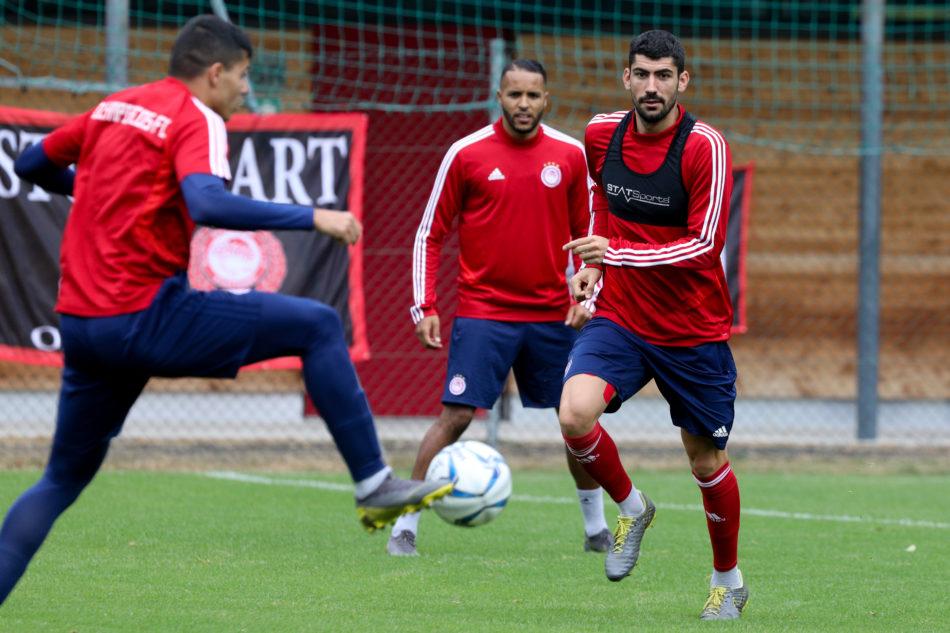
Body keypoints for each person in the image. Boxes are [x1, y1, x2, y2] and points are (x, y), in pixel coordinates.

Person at [0, 15, 451, 606]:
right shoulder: (198, 117)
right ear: (215, 72)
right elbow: (206, 201)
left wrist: (94, 190)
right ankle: (373, 482)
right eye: (242, 76)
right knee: (316, 324)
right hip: (145, 314)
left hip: (82, 327)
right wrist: (315, 217)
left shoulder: (114, 106)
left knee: (58, 482)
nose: (245, 88)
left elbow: (32, 164)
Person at [387, 59, 611, 557]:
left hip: (553, 315)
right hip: (484, 311)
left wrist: (587, 297)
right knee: (456, 417)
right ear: (499, 96)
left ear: (546, 99)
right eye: (514, 95)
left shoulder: (571, 155)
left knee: (576, 420)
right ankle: (406, 525)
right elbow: (430, 233)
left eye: (533, 96)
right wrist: (424, 305)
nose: (524, 105)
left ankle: (596, 528)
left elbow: (591, 236)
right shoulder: (465, 154)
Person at [559, 31, 747, 620]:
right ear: (625, 78)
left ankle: (728, 580)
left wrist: (611, 254)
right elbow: (599, 197)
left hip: (692, 329)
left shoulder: (704, 147)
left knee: (704, 463)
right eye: (641, 74)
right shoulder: (600, 134)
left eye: (663, 75)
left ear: (682, 82)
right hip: (623, 317)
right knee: (573, 413)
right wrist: (592, 264)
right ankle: (633, 507)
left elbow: (704, 245)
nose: (651, 86)